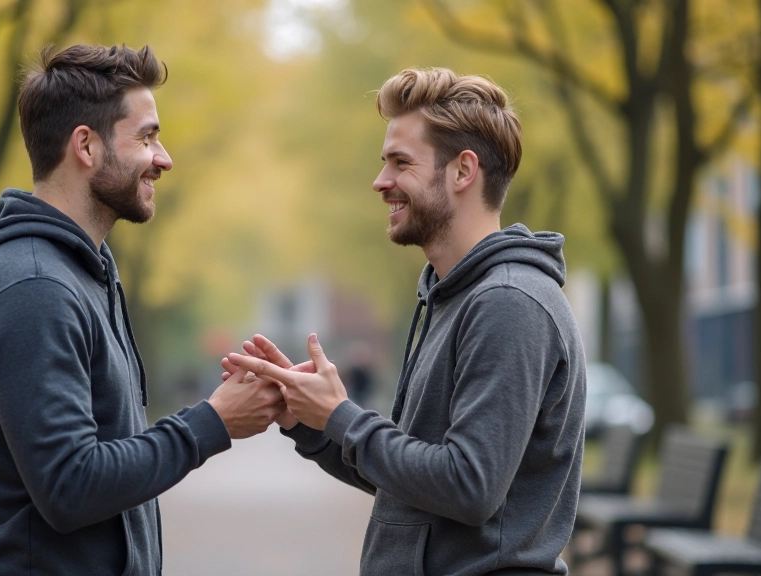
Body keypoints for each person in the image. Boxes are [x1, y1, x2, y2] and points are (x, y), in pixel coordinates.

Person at [227, 67, 587, 575]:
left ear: (463, 171)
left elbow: (468, 487)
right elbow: (413, 482)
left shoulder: (508, 302)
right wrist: (310, 422)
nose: (381, 182)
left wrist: (341, 416)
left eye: (400, 163)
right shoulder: (453, 297)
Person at [0, 44, 284, 575]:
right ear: (85, 145)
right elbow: (70, 486)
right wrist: (212, 422)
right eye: (147, 136)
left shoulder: (83, 270)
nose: (164, 157)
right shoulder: (35, 287)